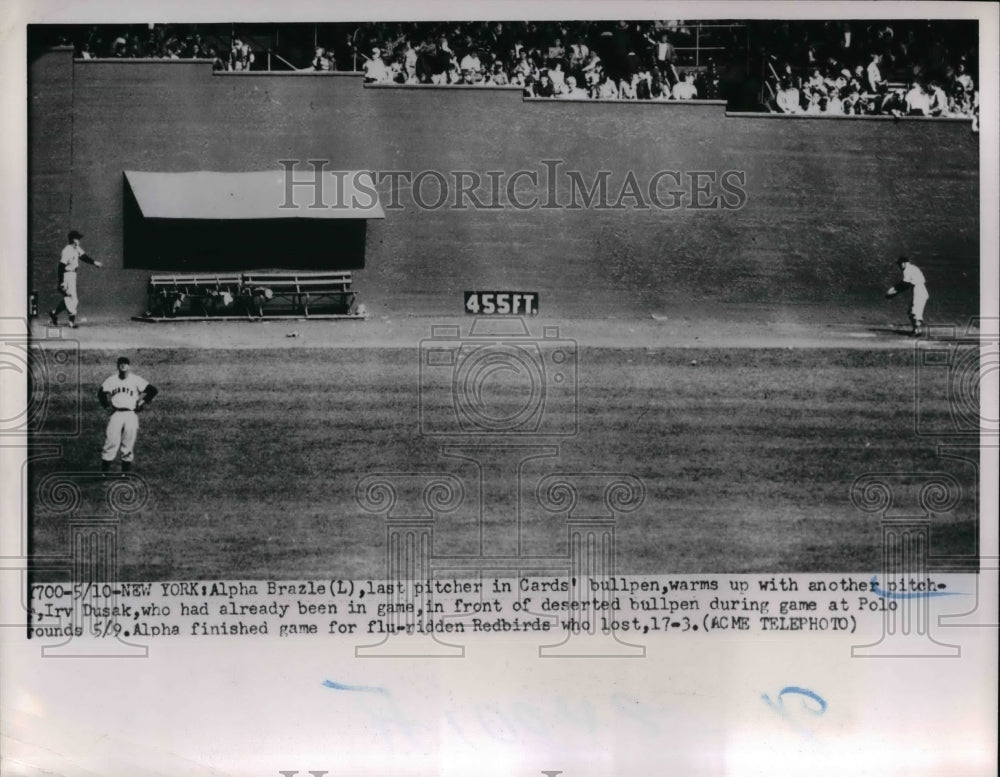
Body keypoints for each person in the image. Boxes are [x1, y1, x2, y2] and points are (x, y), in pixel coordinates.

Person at [98, 357, 159, 474]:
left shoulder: (135, 379)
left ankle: (125, 474)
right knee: (110, 442)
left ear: (129, 366)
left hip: (130, 414)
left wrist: (141, 402)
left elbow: (152, 390)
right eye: (120, 364)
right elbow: (100, 393)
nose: (123, 366)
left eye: (125, 364)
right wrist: (106, 406)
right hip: (116, 414)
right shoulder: (111, 380)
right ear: (117, 366)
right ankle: (103, 473)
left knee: (128, 443)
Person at [49, 230, 102, 328]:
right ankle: (71, 322)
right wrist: (61, 282)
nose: (79, 240)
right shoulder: (67, 250)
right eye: (77, 238)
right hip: (67, 275)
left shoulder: (76, 248)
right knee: (73, 299)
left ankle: (54, 313)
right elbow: (61, 266)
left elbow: (84, 257)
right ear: (73, 240)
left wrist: (95, 263)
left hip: (72, 275)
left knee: (69, 298)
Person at [885, 256, 929, 336]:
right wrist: (895, 291)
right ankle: (916, 330)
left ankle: (918, 331)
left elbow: (905, 284)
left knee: (915, 312)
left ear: (904, 263)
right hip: (919, 290)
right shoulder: (913, 268)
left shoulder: (908, 269)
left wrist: (894, 291)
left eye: (900, 264)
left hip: (919, 291)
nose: (899, 266)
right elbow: (906, 284)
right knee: (911, 311)